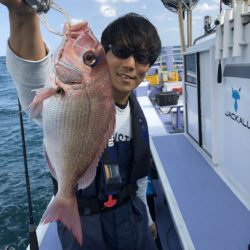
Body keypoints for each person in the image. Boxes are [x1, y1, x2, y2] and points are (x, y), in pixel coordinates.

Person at [1, 1, 162, 249]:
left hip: (134, 222)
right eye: (121, 51)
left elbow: (138, 179)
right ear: (105, 55)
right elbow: (30, 75)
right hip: (86, 229)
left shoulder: (139, 114)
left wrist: (149, 220)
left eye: (142, 58)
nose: (131, 64)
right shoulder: (62, 98)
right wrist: (23, 13)